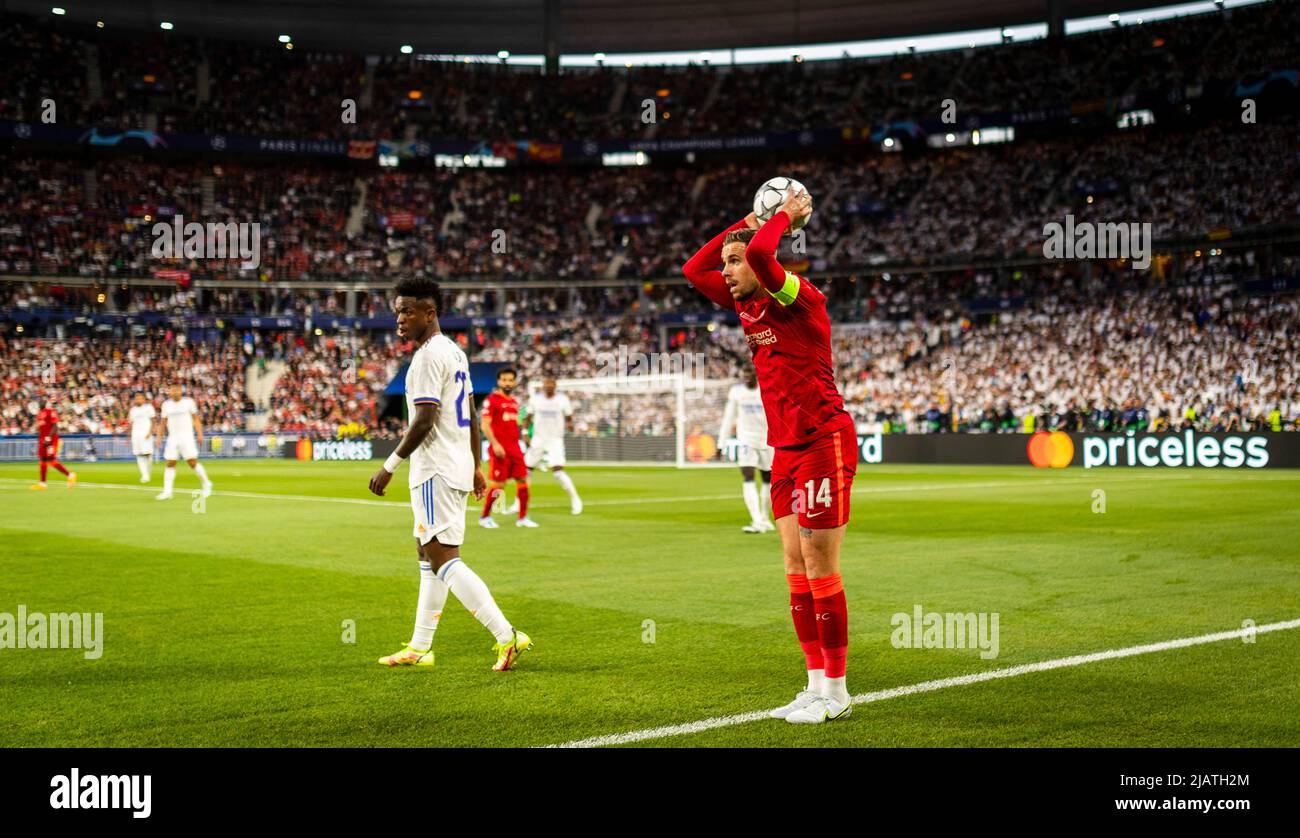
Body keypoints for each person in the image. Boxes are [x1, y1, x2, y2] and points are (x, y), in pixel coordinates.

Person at [683, 188, 857, 724]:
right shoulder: (746, 302)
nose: (727, 269)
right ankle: (813, 685)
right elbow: (693, 269)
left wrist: (779, 217)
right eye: (729, 261)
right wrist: (747, 219)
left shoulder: (800, 296)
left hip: (823, 439)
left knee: (821, 568)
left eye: (735, 262)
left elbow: (761, 254)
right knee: (794, 568)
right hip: (784, 449)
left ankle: (838, 691)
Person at [369, 277, 532, 671]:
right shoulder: (455, 353)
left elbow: (424, 419)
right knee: (427, 551)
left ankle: (506, 635)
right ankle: (421, 647)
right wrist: (476, 464)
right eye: (397, 312)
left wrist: (389, 466)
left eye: (408, 311)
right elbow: (471, 414)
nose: (400, 320)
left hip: (435, 468)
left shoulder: (427, 357)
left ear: (431, 312)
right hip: (455, 464)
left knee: (442, 557)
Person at [478, 367, 539, 528]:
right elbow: (485, 425)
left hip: (515, 450)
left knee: (523, 481)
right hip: (500, 450)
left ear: (514, 382)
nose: (507, 383)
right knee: (499, 485)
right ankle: (484, 517)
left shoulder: (514, 402)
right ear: (499, 381)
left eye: (510, 380)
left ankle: (523, 518)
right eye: (504, 380)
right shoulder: (491, 400)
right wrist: (495, 444)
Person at [719, 370, 774, 532]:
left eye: (750, 376)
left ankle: (765, 518)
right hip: (746, 441)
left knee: (768, 479)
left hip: (767, 440)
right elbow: (729, 417)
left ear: (757, 376)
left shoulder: (767, 390)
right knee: (748, 476)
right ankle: (756, 520)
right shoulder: (737, 392)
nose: (746, 379)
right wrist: (722, 442)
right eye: (744, 376)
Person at [523, 378, 583, 515]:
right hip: (538, 439)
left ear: (555, 386)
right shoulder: (535, 400)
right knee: (525, 471)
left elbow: (569, 418)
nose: (549, 385)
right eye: (546, 383)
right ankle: (518, 503)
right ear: (543, 386)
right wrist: (525, 432)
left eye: (551, 383)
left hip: (555, 440)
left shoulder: (563, 400)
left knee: (558, 471)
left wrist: (569, 425)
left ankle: (576, 500)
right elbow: (527, 417)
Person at [154, 384, 213, 501]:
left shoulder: (189, 402)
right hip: (172, 438)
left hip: (187, 437)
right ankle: (167, 492)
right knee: (170, 463)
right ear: (170, 392)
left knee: (192, 462)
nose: (175, 392)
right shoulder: (166, 405)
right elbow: (163, 422)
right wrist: (159, 437)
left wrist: (200, 433)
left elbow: (196, 419)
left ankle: (207, 484)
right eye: (173, 390)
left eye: (177, 390)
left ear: (181, 391)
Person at [31, 402, 75, 490]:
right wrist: (40, 439)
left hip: (51, 440)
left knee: (51, 461)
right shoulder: (39, 414)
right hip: (43, 440)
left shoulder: (50, 411)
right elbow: (41, 428)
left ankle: (70, 475)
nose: (40, 400)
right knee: (43, 460)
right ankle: (42, 484)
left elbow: (55, 426)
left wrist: (49, 438)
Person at [129, 393, 157, 483]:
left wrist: (150, 432)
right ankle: (144, 475)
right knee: (139, 455)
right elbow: (131, 423)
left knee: (148, 454)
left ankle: (147, 473)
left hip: (146, 434)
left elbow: (153, 421)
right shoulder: (132, 410)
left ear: (144, 399)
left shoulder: (148, 407)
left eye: (140, 398)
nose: (138, 400)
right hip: (136, 435)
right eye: (136, 398)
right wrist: (130, 434)